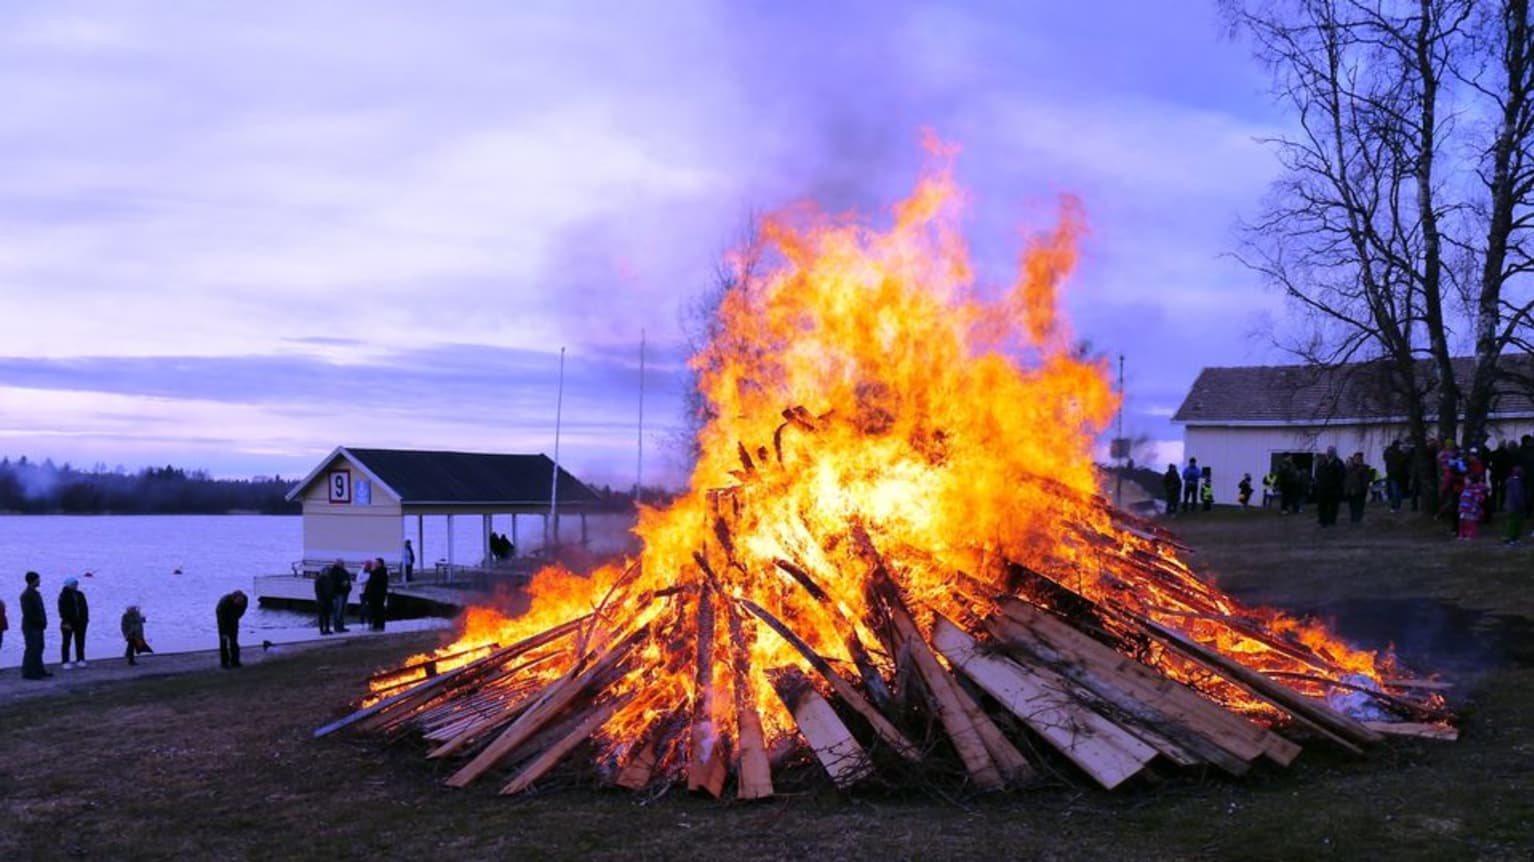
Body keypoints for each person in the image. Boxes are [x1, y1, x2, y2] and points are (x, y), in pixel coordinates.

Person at [20, 570, 50, 679]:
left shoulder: (35, 593)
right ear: (33, 580)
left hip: (37, 626)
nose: (39, 581)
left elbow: (40, 610)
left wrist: (43, 622)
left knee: (39, 647)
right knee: (32, 648)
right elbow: (28, 613)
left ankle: (39, 669)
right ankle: (28, 672)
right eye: (38, 579)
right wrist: (39, 622)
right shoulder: (26, 595)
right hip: (31, 626)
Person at [58, 575, 89, 668]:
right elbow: (61, 609)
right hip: (67, 622)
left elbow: (85, 608)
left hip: (81, 622)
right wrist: (66, 620)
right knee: (66, 642)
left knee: (80, 641)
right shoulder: (63, 595)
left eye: (76, 584)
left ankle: (80, 659)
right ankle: (65, 661)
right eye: (74, 584)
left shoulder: (80, 594)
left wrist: (85, 619)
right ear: (69, 585)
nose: (76, 585)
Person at [1315, 447, 1346, 527]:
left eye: (1331, 452)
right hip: (1322, 488)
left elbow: (1342, 475)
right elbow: (1317, 473)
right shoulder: (1322, 462)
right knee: (1322, 505)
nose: (1329, 453)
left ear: (1334, 453)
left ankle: (1332, 520)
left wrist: (1338, 485)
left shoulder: (1339, 463)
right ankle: (1322, 521)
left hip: (1334, 489)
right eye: (1329, 452)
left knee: (1333, 506)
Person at [216, 590, 248, 668]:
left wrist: (236, 618)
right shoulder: (224, 603)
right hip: (222, 617)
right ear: (233, 599)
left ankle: (235, 661)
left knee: (234, 641)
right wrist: (224, 631)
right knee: (224, 641)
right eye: (238, 601)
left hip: (234, 618)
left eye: (241, 601)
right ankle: (224, 663)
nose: (240, 603)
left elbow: (242, 610)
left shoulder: (245, 599)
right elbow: (221, 619)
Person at [1343, 452, 1371, 524]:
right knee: (1352, 506)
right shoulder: (1349, 468)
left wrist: (1365, 487)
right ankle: (1353, 519)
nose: (1357, 460)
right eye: (1356, 458)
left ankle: (1358, 519)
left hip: (1360, 490)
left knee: (1359, 505)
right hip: (1351, 490)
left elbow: (1367, 479)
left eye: (1359, 458)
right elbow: (1347, 479)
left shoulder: (1365, 468)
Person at [1458, 475, 1488, 541]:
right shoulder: (1465, 489)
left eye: (1467, 480)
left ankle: (1470, 535)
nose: (1465, 481)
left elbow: (1477, 500)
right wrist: (1460, 506)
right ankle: (1462, 534)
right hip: (1463, 509)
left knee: (1470, 522)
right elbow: (1462, 499)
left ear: (1471, 481)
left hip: (1471, 509)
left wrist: (1474, 507)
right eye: (1465, 480)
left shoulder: (1475, 490)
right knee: (1462, 522)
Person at [364, 557, 389, 632]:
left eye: (376, 563)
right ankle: (375, 625)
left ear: (380, 564)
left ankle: (380, 626)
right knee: (373, 610)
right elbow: (370, 583)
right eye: (374, 563)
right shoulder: (374, 572)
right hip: (372, 595)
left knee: (379, 610)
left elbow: (376, 581)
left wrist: (373, 571)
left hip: (379, 595)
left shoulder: (382, 572)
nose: (374, 564)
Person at [1504, 467, 1527, 545]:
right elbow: (1518, 495)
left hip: (1510, 505)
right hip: (1515, 506)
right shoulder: (1517, 482)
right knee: (1515, 523)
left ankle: (1512, 538)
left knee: (1512, 522)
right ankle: (1512, 538)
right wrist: (1521, 504)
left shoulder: (1510, 481)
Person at [315, 561, 339, 635]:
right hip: (321, 600)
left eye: (328, 571)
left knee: (327, 615)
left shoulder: (329, 579)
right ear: (322, 571)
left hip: (329, 600)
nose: (327, 572)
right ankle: (321, 630)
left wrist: (333, 597)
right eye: (325, 570)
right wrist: (320, 600)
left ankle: (327, 629)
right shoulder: (318, 580)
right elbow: (318, 591)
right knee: (321, 616)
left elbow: (332, 589)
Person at [332, 561, 353, 633]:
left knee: (342, 611)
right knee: (338, 610)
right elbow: (333, 583)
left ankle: (341, 626)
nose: (343, 564)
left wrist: (349, 587)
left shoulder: (345, 572)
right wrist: (342, 584)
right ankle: (337, 627)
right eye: (341, 563)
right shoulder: (334, 572)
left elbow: (348, 580)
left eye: (343, 563)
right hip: (338, 593)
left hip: (345, 593)